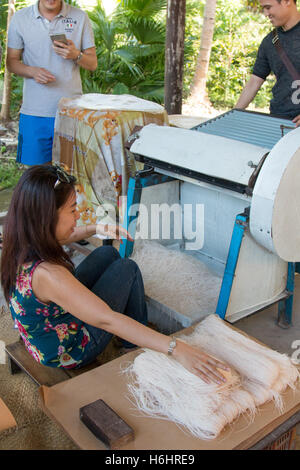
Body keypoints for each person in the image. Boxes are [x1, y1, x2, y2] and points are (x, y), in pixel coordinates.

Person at [0, 165, 229, 383]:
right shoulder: (49, 275)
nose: (78, 214)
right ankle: (134, 346)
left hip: (44, 332)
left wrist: (97, 228)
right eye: (72, 209)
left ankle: (135, 335)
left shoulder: (22, 236)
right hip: (68, 351)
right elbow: (108, 319)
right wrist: (176, 348)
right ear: (47, 216)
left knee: (107, 252)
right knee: (127, 268)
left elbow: (61, 236)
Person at [6, 0, 97, 165]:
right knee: (36, 177)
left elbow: (92, 64)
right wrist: (32, 71)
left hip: (71, 112)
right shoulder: (20, 18)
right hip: (34, 112)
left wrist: (76, 54)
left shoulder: (80, 17)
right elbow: (11, 62)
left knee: (69, 177)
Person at [235, 0, 300, 126]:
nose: (266, 13)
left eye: (268, 7)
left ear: (287, 2)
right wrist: (234, 114)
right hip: (278, 120)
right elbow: (254, 81)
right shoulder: (269, 41)